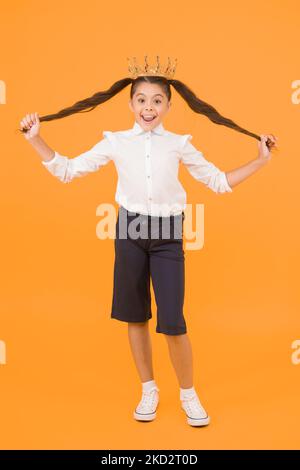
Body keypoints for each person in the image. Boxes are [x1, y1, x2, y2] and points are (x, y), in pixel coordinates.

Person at [19, 56, 278, 427]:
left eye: (157, 100)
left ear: (169, 106)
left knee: (173, 320)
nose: (148, 107)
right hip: (129, 232)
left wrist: (260, 162)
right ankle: (148, 389)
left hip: (168, 235)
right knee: (135, 315)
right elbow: (68, 170)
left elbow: (218, 182)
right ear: (130, 104)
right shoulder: (115, 142)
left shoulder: (179, 144)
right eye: (141, 99)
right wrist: (36, 138)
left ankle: (188, 394)